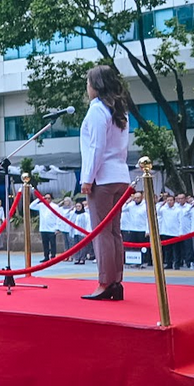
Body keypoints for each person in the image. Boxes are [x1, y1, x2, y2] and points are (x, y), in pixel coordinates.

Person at [78, 64, 132, 301]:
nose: (87, 87)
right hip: (120, 175)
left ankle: (104, 281)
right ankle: (116, 281)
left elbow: (96, 148)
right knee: (114, 232)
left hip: (103, 177)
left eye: (88, 83)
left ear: (96, 86)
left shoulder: (97, 110)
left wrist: (87, 178)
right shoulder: (120, 110)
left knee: (102, 233)